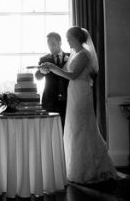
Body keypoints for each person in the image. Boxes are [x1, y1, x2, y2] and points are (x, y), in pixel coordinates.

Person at [40, 26, 117, 184]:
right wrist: (49, 69)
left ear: (77, 39)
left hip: (81, 93)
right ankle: (76, 167)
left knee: (81, 129)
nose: (67, 41)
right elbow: (65, 72)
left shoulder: (84, 54)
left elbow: (73, 75)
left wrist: (54, 68)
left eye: (69, 38)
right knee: (74, 129)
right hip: (74, 93)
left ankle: (87, 169)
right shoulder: (75, 53)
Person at [34, 32, 69, 126]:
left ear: (60, 43)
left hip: (68, 99)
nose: (50, 47)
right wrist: (42, 71)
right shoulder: (44, 59)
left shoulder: (70, 57)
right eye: (48, 44)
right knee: (49, 129)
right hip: (49, 100)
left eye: (53, 44)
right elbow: (37, 77)